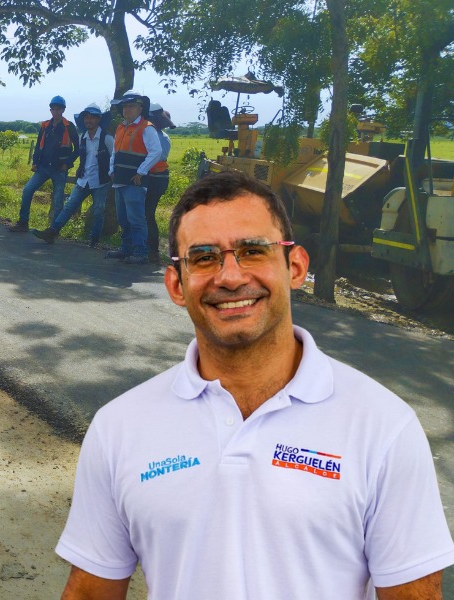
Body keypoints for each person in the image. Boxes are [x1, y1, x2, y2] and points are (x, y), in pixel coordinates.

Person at [56, 170, 454, 600]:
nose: (229, 277)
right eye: (204, 257)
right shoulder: (120, 427)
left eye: (252, 251)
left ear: (296, 266)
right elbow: (91, 592)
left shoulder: (382, 426)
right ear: (176, 284)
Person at [30, 103, 114, 247]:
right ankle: (52, 232)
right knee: (69, 206)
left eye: (92, 117)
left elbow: (114, 157)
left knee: (99, 210)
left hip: (101, 180)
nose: (89, 120)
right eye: (86, 117)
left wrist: (112, 174)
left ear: (99, 119)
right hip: (84, 178)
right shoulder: (83, 137)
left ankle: (94, 240)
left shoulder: (107, 138)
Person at [104, 93, 165, 264]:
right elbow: (115, 153)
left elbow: (156, 152)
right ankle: (126, 248)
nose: (127, 110)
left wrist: (141, 171)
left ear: (140, 109)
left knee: (136, 218)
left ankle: (140, 251)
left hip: (135, 181)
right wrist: (111, 170)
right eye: (124, 107)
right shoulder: (121, 128)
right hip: (120, 179)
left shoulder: (147, 127)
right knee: (123, 218)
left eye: (131, 106)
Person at [8, 95, 80, 233]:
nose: (56, 111)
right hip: (43, 167)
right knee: (28, 190)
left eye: (58, 109)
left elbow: (77, 149)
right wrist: (35, 162)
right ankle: (23, 223)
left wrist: (68, 163)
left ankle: (53, 231)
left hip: (59, 169)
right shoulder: (45, 126)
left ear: (63, 110)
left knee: (58, 200)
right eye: (53, 109)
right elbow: (38, 146)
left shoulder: (69, 127)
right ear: (50, 110)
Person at [143, 103, 176, 260]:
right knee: (148, 211)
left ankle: (152, 249)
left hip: (154, 177)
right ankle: (150, 248)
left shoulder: (153, 135)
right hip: (161, 177)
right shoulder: (165, 137)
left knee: (147, 212)